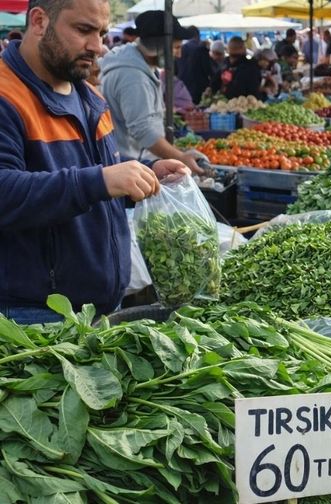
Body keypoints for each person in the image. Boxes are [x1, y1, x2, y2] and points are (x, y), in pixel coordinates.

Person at [0, 0, 188, 324]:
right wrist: (100, 181)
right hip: (34, 317)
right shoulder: (7, 96)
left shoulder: (89, 96)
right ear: (40, 21)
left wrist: (141, 172)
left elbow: (94, 164)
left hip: (99, 307)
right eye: (84, 30)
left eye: (101, 33)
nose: (98, 47)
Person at [100, 10, 201, 171]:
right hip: (130, 165)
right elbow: (144, 131)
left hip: (134, 162)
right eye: (175, 48)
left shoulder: (138, 63)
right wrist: (180, 157)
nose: (179, 54)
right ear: (160, 47)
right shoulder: (133, 77)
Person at [177, 25, 211, 105]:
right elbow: (208, 70)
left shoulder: (180, 49)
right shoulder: (201, 49)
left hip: (182, 88)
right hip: (199, 90)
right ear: (198, 35)